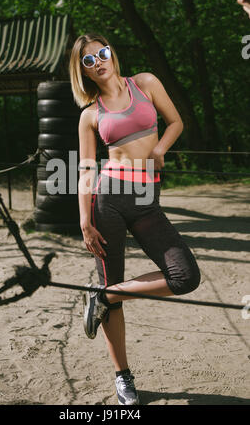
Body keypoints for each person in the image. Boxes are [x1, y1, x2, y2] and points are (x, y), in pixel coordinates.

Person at [69, 33, 201, 405]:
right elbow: (85, 169)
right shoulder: (90, 115)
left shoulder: (145, 83)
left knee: (185, 276)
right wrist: (84, 219)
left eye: (103, 54)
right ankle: (122, 377)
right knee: (113, 291)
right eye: (89, 61)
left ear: (113, 54)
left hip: (146, 199)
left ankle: (103, 295)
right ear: (84, 72)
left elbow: (175, 121)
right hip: (107, 201)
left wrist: (160, 148)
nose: (99, 62)